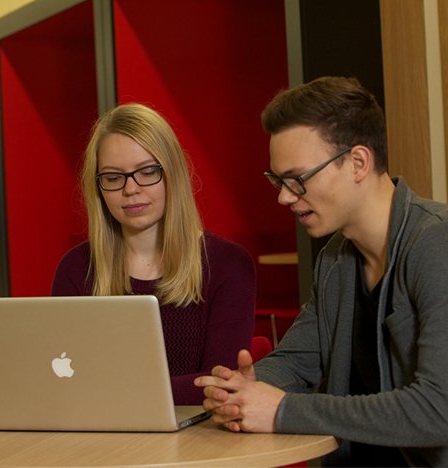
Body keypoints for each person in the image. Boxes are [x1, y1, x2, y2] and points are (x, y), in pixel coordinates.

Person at [194, 77, 448, 466]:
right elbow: (297, 360)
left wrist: (282, 411)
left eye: (298, 178)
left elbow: (438, 410)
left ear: (358, 162)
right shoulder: (335, 257)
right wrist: (242, 389)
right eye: (278, 180)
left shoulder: (436, 244)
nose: (284, 196)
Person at [52, 103, 256, 405]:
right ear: (98, 188)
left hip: (200, 440)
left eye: (147, 171)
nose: (131, 189)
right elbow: (62, 380)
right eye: (112, 177)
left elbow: (219, 385)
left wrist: (112, 392)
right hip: (99, 438)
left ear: (172, 173)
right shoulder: (76, 268)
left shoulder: (228, 265)